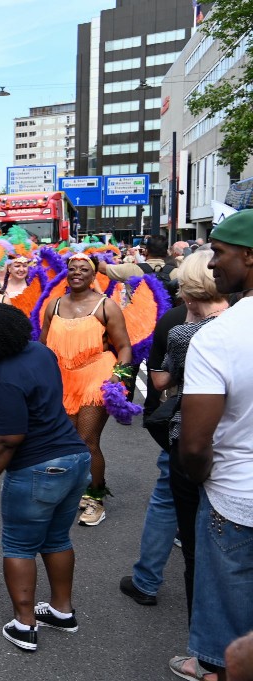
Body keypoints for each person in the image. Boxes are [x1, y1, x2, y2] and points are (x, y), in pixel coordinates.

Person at [0, 303, 90, 653]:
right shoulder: (40, 352)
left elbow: (7, 439)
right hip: (75, 459)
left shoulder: (5, 380)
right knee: (57, 537)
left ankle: (24, 624)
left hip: (39, 467)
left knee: (19, 545)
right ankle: (62, 611)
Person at [175, 210, 253, 681]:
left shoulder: (220, 336)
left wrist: (201, 475)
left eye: (219, 252)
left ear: (249, 255)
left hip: (235, 503)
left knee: (228, 652)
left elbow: (195, 443)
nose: (211, 265)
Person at [124, 248, 224, 614]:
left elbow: (161, 379)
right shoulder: (240, 322)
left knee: (170, 501)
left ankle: (147, 580)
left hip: (192, 432)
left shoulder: (179, 328)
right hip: (231, 437)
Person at [40, 254, 133, 526]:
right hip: (63, 379)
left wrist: (119, 375)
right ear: (66, 274)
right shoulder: (54, 305)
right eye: (72, 269)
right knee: (66, 442)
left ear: (94, 276)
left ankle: (96, 498)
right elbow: (43, 344)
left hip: (97, 373)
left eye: (84, 269)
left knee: (86, 440)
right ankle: (74, 489)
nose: (77, 272)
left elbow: (125, 346)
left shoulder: (106, 306)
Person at [98, 235, 178, 284]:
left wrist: (96, 252)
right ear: (167, 252)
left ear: (146, 251)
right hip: (169, 311)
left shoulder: (131, 269)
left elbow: (102, 268)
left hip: (138, 311)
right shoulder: (177, 273)